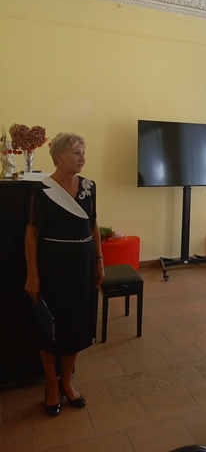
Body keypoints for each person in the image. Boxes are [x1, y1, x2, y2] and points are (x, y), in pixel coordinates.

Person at [24, 133, 104, 416]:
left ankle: (67, 381)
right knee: (50, 326)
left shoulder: (89, 187)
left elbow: (93, 225)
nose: (83, 158)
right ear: (59, 156)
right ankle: (51, 384)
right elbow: (31, 235)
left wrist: (99, 260)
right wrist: (32, 274)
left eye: (84, 153)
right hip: (53, 267)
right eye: (77, 153)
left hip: (83, 265)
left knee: (77, 323)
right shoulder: (41, 191)